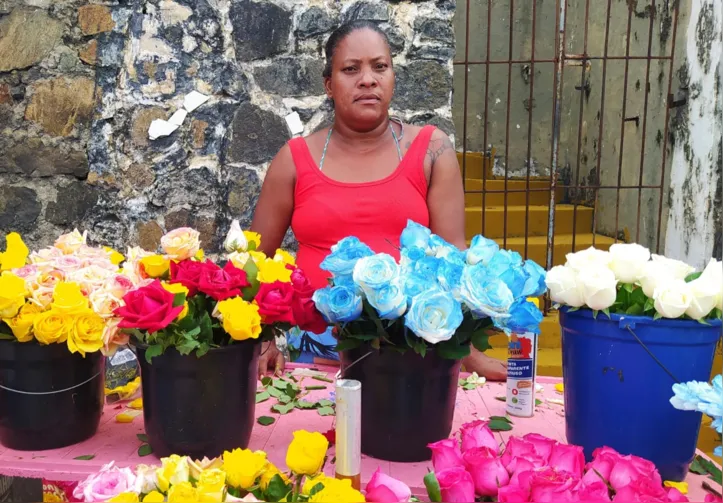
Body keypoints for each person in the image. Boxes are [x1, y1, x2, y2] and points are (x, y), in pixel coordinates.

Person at [249, 20, 507, 381]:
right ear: (329, 84)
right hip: (307, 358)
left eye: (379, 67)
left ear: (392, 77)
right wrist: (261, 339)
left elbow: (452, 257)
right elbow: (255, 263)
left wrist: (467, 353)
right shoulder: (293, 159)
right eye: (351, 69)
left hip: (411, 353)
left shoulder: (432, 150)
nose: (367, 79)